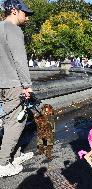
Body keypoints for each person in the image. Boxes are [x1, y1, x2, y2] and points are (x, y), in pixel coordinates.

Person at [0, 0, 34, 177]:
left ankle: (16, 154)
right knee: (17, 122)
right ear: (14, 11)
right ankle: (3, 163)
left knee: (9, 121)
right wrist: (27, 86)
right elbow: (20, 61)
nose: (27, 17)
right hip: (13, 83)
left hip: (2, 83)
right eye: (25, 13)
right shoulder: (14, 29)